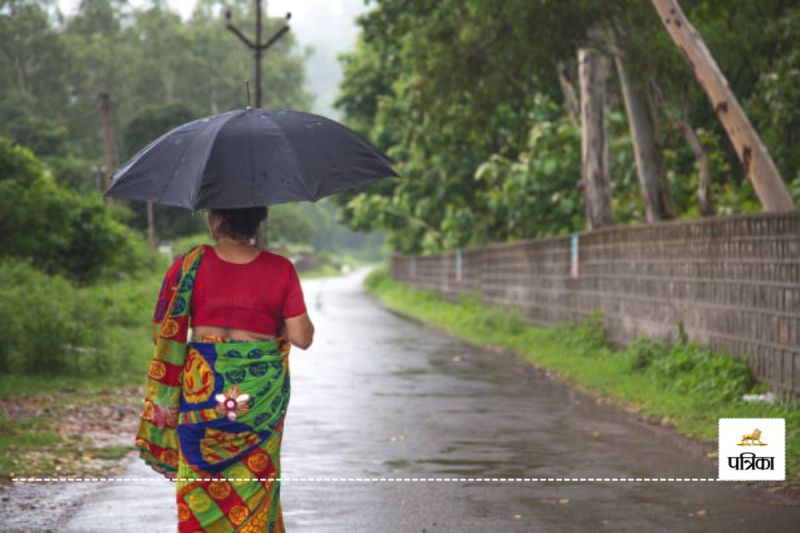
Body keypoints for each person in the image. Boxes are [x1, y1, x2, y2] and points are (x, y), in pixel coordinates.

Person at [134, 206, 313, 532]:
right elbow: (302, 337)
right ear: (258, 220)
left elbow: (162, 332)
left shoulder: (189, 265)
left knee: (198, 494)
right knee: (254, 493)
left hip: (201, 403)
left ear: (216, 220)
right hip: (257, 406)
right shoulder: (280, 269)